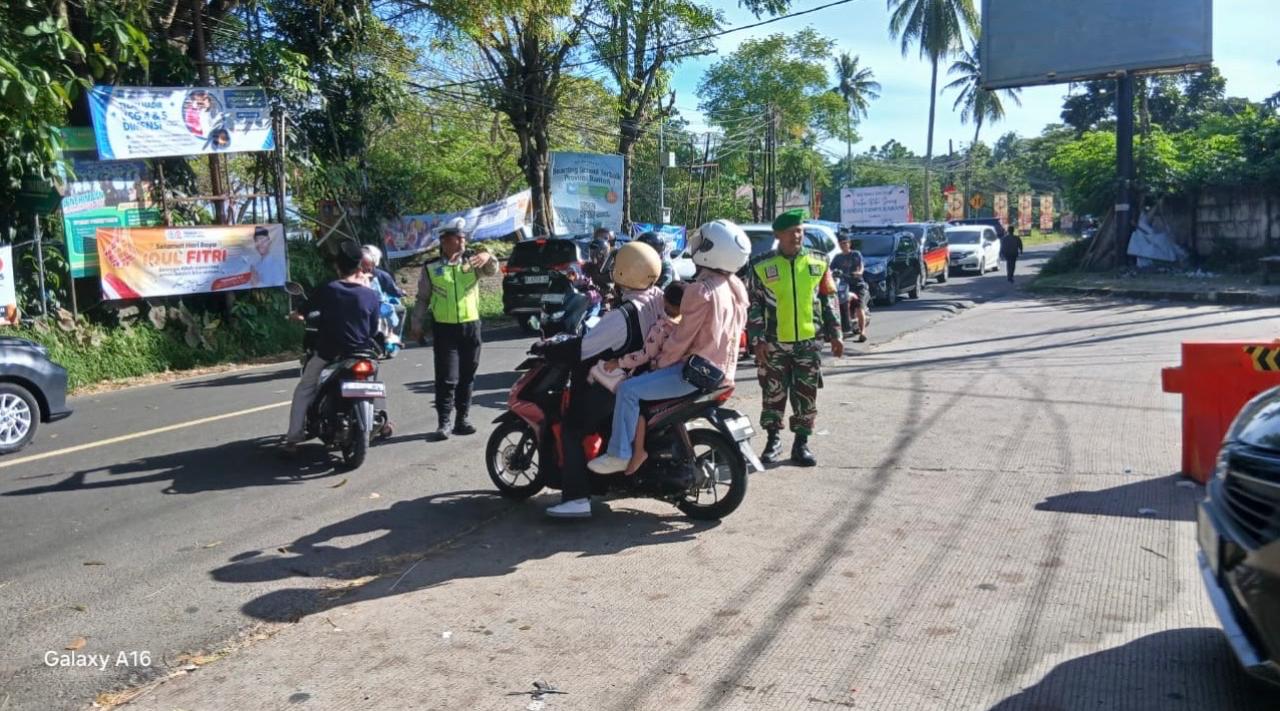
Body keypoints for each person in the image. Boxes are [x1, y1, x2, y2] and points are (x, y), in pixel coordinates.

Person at [588, 220, 751, 477]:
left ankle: (619, 454)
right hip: (722, 373)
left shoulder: (700, 291)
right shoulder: (735, 287)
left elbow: (681, 340)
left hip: (695, 372)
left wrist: (658, 364)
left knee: (629, 390)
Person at [543, 242, 666, 519]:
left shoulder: (622, 316)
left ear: (623, 271)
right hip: (646, 377)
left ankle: (576, 498)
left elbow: (584, 348)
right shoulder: (657, 297)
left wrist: (549, 348)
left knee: (572, 428)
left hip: (616, 384)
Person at [747, 208, 844, 467]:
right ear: (778, 235)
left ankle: (801, 444)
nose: (796, 236)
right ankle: (773, 441)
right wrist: (757, 341)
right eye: (790, 232)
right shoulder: (761, 265)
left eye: (799, 231)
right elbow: (753, 305)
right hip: (773, 344)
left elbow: (829, 300)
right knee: (773, 393)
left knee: (806, 395)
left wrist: (836, 334)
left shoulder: (819, 261)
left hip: (808, 343)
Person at [283, 240, 380, 453]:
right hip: (362, 352)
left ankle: (293, 437)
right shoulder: (371, 295)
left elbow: (304, 310)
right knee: (373, 381)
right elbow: (373, 329)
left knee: (305, 388)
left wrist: (296, 315)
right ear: (359, 266)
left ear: (338, 266)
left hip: (330, 353)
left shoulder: (329, 289)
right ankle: (382, 421)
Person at [408, 217, 499, 441]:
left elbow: (492, 270)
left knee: (467, 376)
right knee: (447, 378)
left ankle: (462, 420)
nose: (462, 241)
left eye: (463, 238)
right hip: (445, 329)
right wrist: (416, 323)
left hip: (471, 327)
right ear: (445, 241)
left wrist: (488, 255)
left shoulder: (473, 261)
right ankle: (444, 422)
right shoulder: (431, 267)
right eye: (458, 238)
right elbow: (422, 298)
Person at [830, 235, 869, 343]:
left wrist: (859, 272)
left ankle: (862, 332)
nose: (843, 245)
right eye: (841, 244)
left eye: (845, 243)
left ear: (849, 244)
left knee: (859, 307)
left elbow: (861, 266)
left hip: (857, 285)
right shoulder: (837, 257)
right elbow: (830, 269)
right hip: (842, 285)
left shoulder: (856, 254)